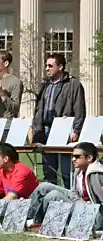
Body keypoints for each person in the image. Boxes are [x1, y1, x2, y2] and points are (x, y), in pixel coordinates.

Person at [32, 53, 86, 189]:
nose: (47, 68)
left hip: (65, 129)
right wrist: (37, 129)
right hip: (46, 130)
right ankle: (51, 200)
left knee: (67, 171)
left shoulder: (73, 84)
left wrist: (76, 130)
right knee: (49, 171)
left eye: (50, 66)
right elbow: (39, 109)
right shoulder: (45, 84)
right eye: (46, 65)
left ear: (60, 67)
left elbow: (79, 109)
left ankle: (70, 199)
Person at [26, 142, 103, 229]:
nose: (73, 159)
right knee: (44, 186)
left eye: (77, 157)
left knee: (54, 195)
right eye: (73, 156)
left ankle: (37, 221)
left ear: (89, 158)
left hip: (93, 214)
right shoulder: (78, 170)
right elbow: (74, 192)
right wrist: (78, 201)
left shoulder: (97, 174)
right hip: (80, 203)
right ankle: (24, 216)